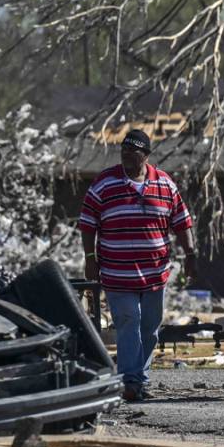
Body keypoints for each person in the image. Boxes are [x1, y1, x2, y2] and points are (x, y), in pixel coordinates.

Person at [78, 129, 195, 402]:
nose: (127, 154)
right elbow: (87, 223)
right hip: (117, 272)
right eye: (124, 150)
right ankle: (130, 382)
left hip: (155, 273)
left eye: (134, 150)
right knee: (129, 321)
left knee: (150, 327)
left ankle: (140, 378)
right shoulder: (104, 183)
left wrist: (191, 254)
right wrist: (90, 258)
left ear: (146, 154)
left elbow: (182, 221)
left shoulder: (165, 184)